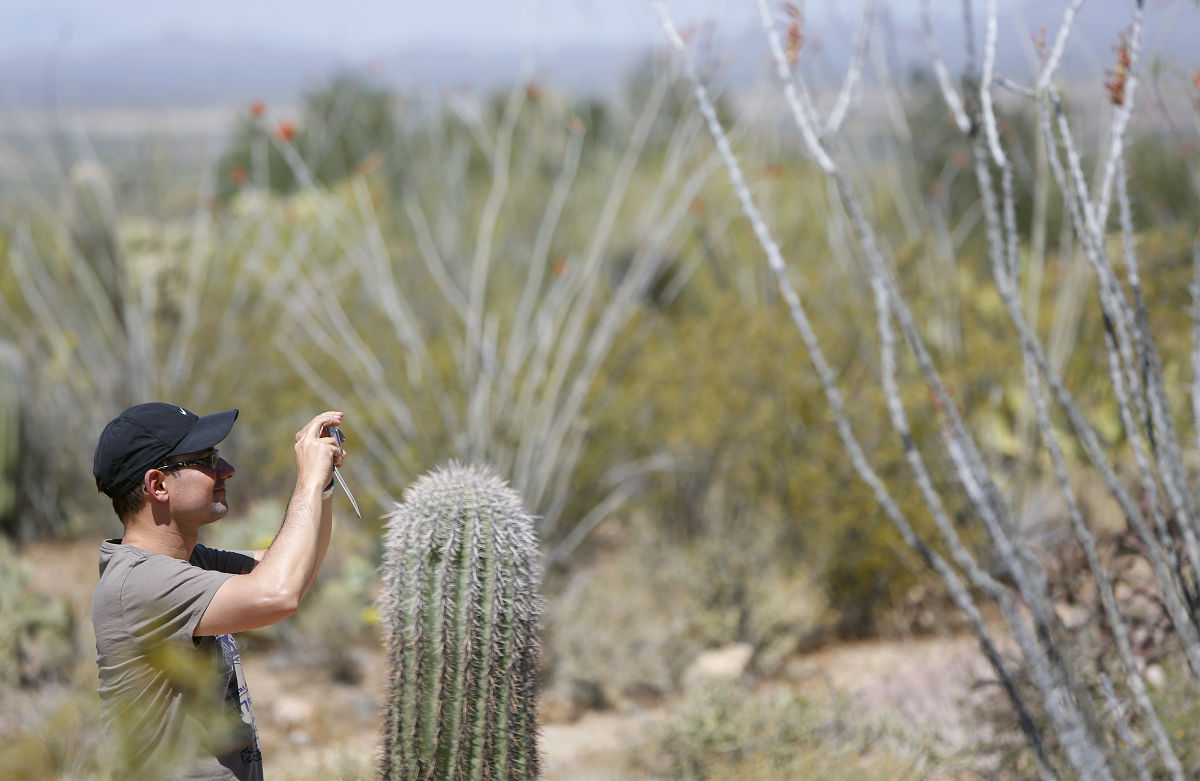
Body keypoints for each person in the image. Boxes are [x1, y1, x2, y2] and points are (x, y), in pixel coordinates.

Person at [90, 402, 346, 780]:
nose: (226, 470)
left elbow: (298, 572)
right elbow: (280, 593)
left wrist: (322, 486)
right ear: (157, 485)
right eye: (207, 460)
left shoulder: (189, 561)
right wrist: (306, 482)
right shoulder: (141, 583)